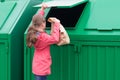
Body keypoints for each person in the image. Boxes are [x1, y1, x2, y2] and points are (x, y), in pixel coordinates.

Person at [26, 3, 60, 80]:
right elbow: (55, 39)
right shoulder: (43, 37)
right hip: (42, 66)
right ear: (42, 24)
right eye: (44, 21)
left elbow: (36, 20)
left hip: (37, 66)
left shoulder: (34, 31)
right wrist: (57, 24)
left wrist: (42, 9)